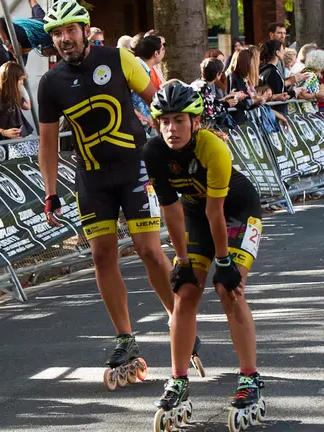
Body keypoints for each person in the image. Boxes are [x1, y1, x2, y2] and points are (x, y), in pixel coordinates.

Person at [37, 0, 199, 386]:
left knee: (147, 248)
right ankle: (126, 338)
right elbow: (46, 144)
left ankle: (179, 318)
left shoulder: (119, 59)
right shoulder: (50, 83)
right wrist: (50, 190)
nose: (64, 39)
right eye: (57, 34)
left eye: (70, 30)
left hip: (134, 169)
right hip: (91, 178)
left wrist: (177, 151)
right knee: (101, 255)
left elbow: (160, 104)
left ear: (84, 28)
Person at [144, 81, 265, 429]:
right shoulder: (154, 153)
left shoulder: (213, 148)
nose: (171, 128)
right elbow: (171, 209)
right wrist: (181, 262)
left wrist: (225, 263)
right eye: (165, 121)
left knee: (230, 289)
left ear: (195, 122)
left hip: (238, 211)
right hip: (196, 215)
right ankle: (178, 378)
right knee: (184, 294)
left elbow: (218, 213)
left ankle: (249, 377)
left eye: (179, 120)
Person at [0, 0, 57, 68]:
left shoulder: (42, 17)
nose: (50, 54)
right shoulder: (24, 35)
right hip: (0, 42)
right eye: (52, 51)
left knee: (20, 67)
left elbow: (33, 2)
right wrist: (8, 45)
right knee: (10, 71)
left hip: (22, 41)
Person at [0, 62, 37, 158]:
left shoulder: (14, 95)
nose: (22, 82)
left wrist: (21, 87)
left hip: (21, 139)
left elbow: (28, 106)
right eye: (20, 80)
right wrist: (4, 132)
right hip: (8, 144)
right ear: (12, 80)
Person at [191, 58, 237, 128]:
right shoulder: (204, 88)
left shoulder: (197, 84)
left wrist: (224, 100)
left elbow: (208, 103)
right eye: (221, 73)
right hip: (201, 126)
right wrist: (226, 104)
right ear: (218, 74)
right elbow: (210, 111)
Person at [258, 39, 296, 114]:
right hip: (275, 112)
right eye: (282, 49)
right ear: (277, 53)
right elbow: (279, 94)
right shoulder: (272, 72)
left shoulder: (264, 69)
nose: (284, 52)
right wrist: (295, 92)